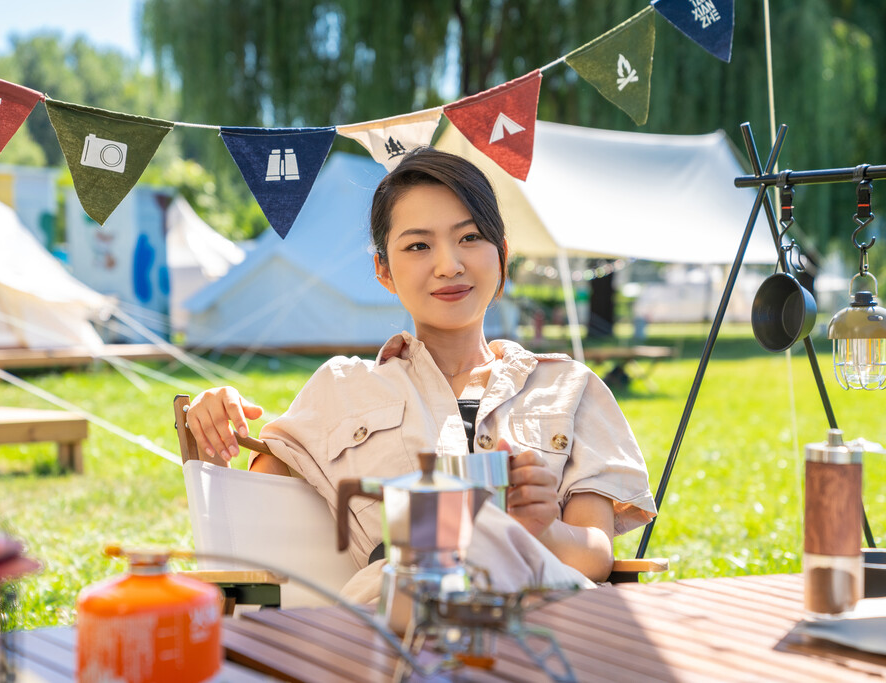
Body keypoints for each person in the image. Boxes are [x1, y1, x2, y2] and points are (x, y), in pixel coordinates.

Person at [186, 147, 656, 597]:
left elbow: (596, 555)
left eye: (470, 238)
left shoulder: (567, 388)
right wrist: (215, 418)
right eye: (417, 245)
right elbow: (252, 516)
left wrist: (543, 529)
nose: (449, 265)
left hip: (546, 621)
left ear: (502, 255)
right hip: (398, 626)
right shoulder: (341, 388)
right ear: (383, 271)